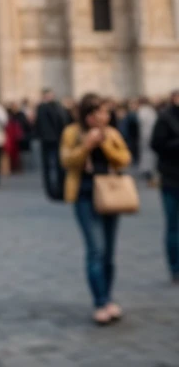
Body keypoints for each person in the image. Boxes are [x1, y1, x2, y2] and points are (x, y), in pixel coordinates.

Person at [60, 93, 132, 325]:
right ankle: (100, 302)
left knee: (109, 253)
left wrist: (104, 146)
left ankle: (109, 298)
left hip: (110, 195)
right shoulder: (71, 133)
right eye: (102, 112)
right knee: (96, 250)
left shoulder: (111, 133)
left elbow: (124, 159)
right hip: (84, 195)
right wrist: (85, 146)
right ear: (89, 116)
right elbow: (66, 161)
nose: (107, 115)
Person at [149, 89, 179, 283]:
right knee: (173, 226)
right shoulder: (165, 117)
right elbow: (156, 144)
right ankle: (176, 268)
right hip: (171, 178)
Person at [35, 88, 70, 200]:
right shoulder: (54, 107)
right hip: (55, 139)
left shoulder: (43, 108)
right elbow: (62, 121)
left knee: (51, 166)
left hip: (50, 140)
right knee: (55, 165)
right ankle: (57, 189)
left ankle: (55, 189)